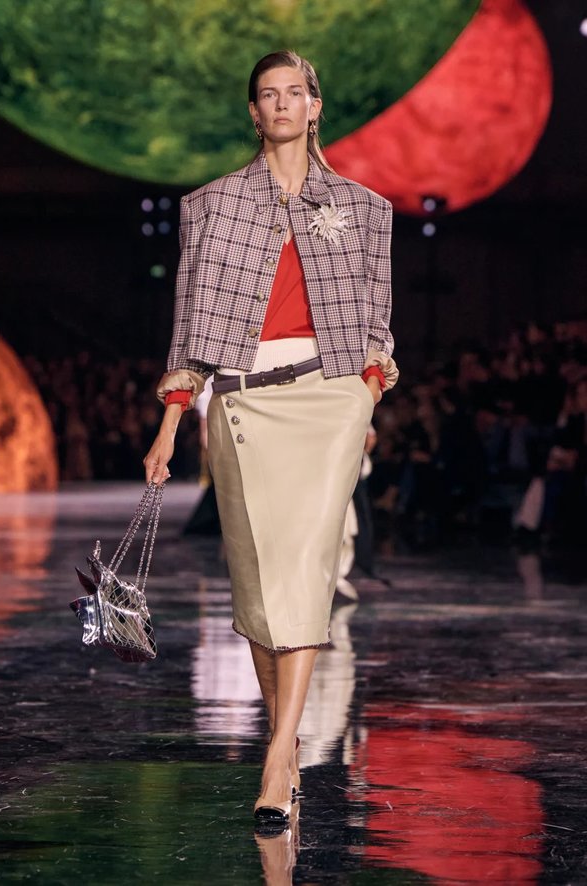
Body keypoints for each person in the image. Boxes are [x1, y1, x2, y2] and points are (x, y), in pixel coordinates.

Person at [144, 50, 398, 826]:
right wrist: (169, 425)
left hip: (330, 399)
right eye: (268, 94)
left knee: (308, 572)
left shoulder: (365, 208)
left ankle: (281, 753)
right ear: (253, 112)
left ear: (316, 106)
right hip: (242, 401)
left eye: (296, 92)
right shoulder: (211, 206)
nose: (283, 104)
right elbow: (189, 327)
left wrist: (366, 395)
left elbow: (378, 322)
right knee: (259, 584)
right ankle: (283, 744)